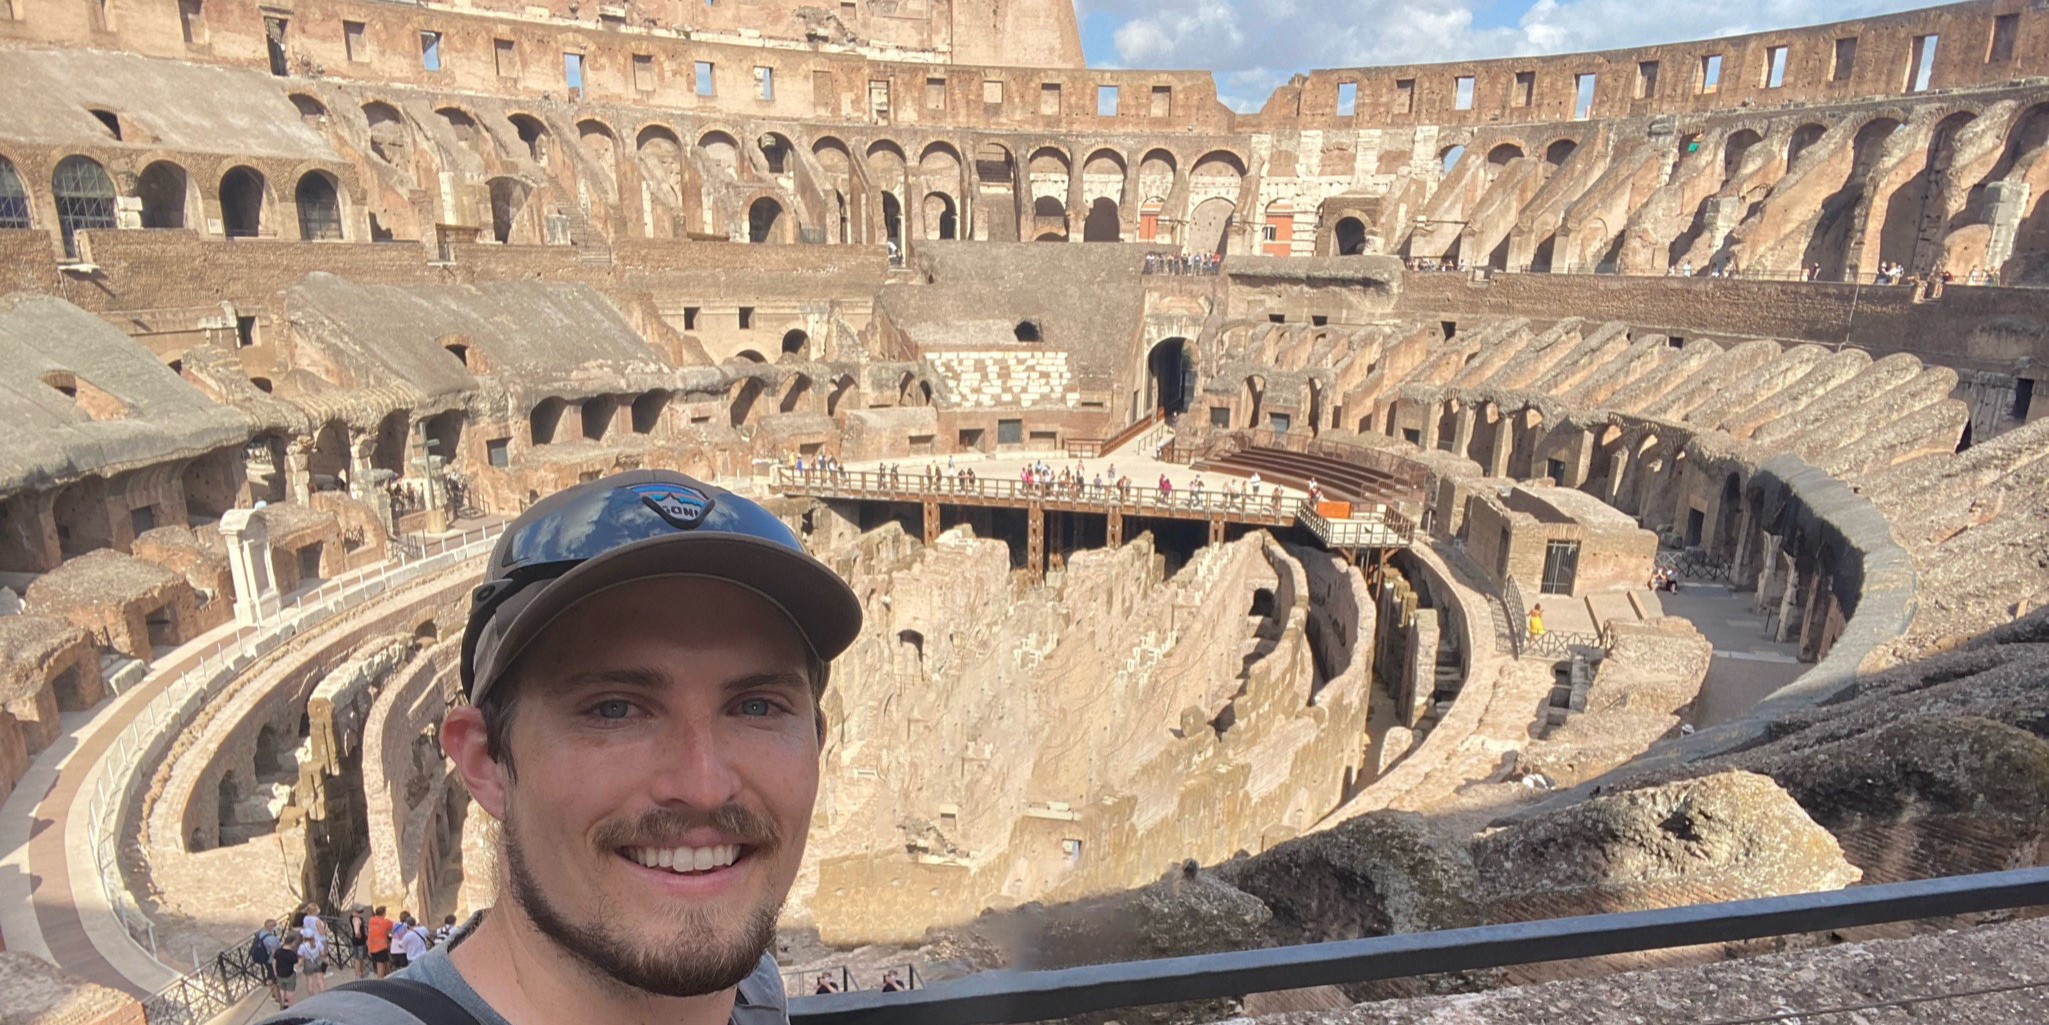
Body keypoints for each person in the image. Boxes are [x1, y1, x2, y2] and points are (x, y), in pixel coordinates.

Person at [259, 469, 861, 1025]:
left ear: (816, 742)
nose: (702, 783)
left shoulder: (755, 992)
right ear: (486, 762)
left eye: (757, 706)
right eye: (614, 709)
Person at [273, 933, 302, 1008]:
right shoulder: (292, 954)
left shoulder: (278, 951)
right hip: (289, 974)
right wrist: (302, 960)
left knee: (282, 989)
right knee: (290, 990)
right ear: (292, 943)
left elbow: (274, 961)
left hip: (280, 974)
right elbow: (296, 965)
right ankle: (291, 1005)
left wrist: (275, 972)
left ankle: (283, 1004)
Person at [366, 905, 393, 978]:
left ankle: (390, 978)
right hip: (380, 947)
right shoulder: (385, 922)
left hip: (371, 946)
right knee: (380, 967)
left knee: (385, 963)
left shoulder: (371, 920)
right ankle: (380, 983)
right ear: (384, 913)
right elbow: (393, 927)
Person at [347, 908, 370, 979]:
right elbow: (357, 932)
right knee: (359, 959)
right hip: (360, 942)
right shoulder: (356, 919)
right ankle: (359, 975)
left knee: (358, 958)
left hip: (356, 941)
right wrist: (361, 936)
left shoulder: (352, 916)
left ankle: (359, 974)